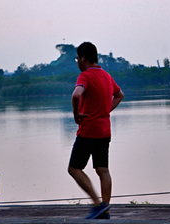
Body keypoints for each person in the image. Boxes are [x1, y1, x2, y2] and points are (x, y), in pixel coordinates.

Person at [68, 42, 124, 219]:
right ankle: (105, 209)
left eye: (78, 58)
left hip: (88, 131)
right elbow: (120, 95)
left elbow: (76, 94)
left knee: (74, 169)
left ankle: (97, 204)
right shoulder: (106, 76)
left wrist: (76, 113)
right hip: (104, 131)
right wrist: (106, 110)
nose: (77, 62)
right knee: (103, 170)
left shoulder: (85, 76)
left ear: (83, 58)